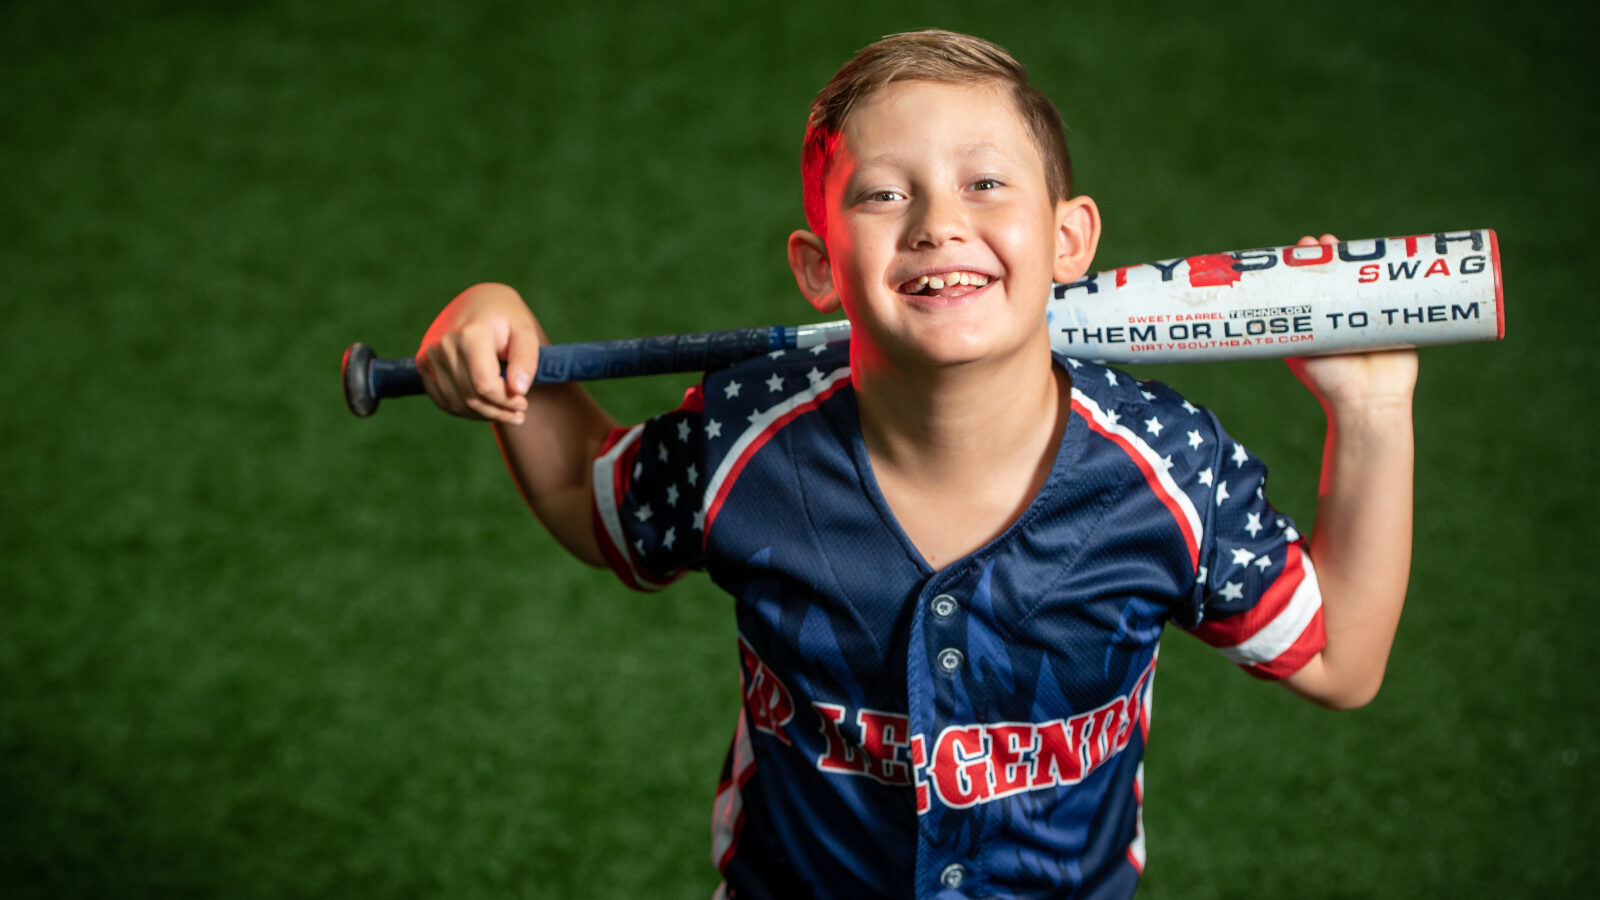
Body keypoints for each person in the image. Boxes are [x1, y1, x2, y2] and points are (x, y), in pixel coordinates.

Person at [414, 29, 1416, 900]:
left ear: (1068, 238)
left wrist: (1370, 408)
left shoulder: (1165, 472)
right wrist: (498, 332)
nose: (938, 223)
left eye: (987, 183)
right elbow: (586, 498)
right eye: (885, 194)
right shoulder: (745, 441)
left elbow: (1339, 659)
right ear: (819, 267)